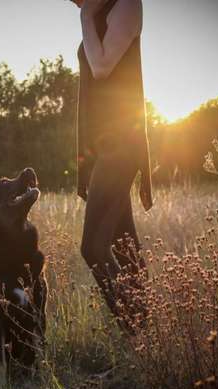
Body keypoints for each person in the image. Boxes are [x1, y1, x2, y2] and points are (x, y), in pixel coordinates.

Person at [71, 0, 153, 318]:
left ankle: (134, 325)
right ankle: (148, 337)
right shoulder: (96, 13)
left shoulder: (127, 5)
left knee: (92, 247)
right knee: (125, 246)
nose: (74, 3)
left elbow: (102, 68)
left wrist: (85, 17)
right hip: (106, 146)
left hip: (121, 145)